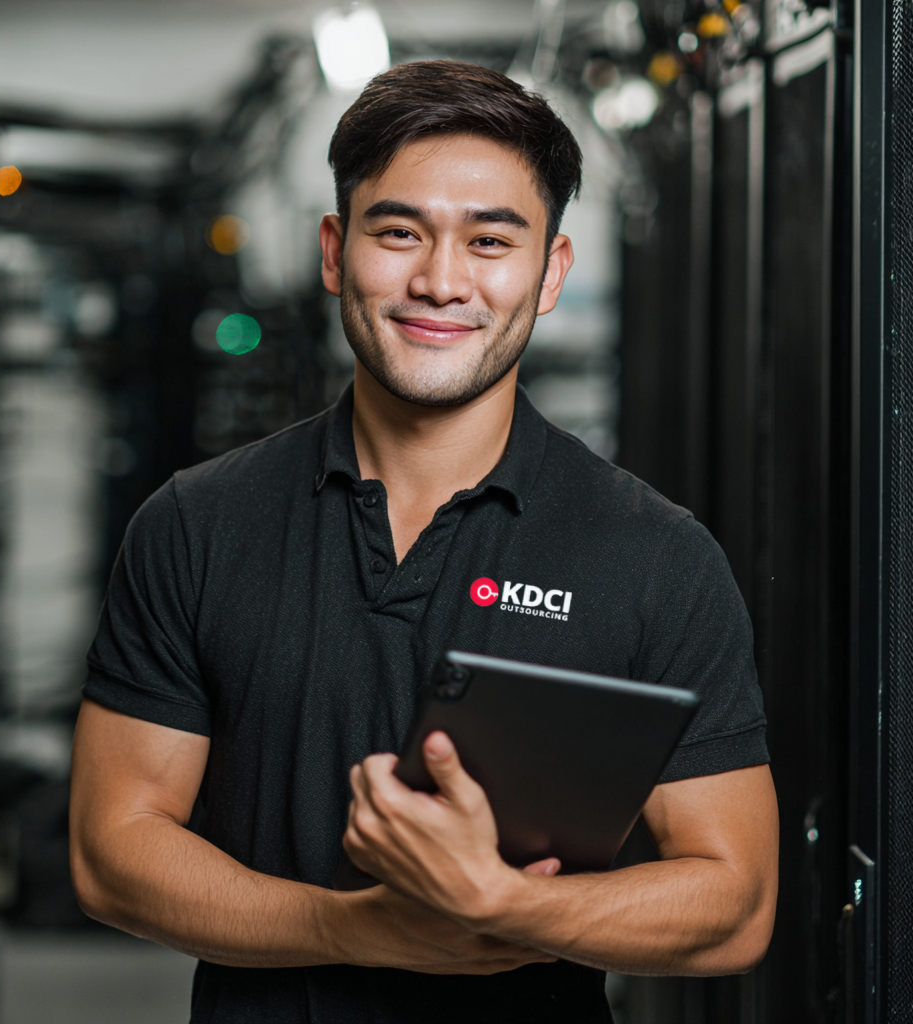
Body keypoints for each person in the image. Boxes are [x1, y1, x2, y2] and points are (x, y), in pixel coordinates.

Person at [69, 60, 778, 1024]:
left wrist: (507, 905)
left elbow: (734, 904)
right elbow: (113, 851)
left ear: (552, 271)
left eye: (491, 241)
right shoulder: (196, 525)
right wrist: (345, 929)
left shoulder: (654, 556)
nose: (441, 281)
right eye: (399, 231)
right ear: (333, 250)